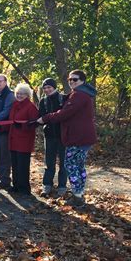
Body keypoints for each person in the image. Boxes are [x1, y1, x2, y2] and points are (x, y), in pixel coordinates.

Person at [37, 70, 97, 207]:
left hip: (78, 137)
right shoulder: (78, 94)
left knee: (70, 165)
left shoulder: (80, 95)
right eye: (70, 79)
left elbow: (64, 113)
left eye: (75, 80)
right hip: (81, 136)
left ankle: (77, 197)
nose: (71, 82)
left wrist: (45, 118)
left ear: (82, 80)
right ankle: (79, 194)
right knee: (79, 166)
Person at [38, 78, 68, 197]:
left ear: (54, 87)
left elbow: (66, 115)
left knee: (63, 163)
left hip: (63, 136)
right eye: (45, 88)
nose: (47, 90)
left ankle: (62, 186)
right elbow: (40, 117)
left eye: (49, 87)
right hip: (49, 136)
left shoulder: (64, 99)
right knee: (49, 162)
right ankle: (47, 185)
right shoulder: (43, 101)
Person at [8, 83, 39, 195]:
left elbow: (34, 123)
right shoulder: (15, 104)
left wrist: (22, 126)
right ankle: (16, 185)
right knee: (15, 164)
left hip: (24, 140)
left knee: (23, 165)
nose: (19, 96)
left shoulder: (31, 107)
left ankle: (24, 188)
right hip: (13, 139)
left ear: (27, 95)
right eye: (17, 93)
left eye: (22, 94)